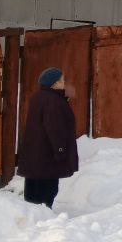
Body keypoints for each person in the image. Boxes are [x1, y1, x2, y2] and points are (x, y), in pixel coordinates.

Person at [17, 66, 78, 208]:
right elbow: (54, 127)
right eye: (62, 80)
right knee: (48, 190)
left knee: (34, 190)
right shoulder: (53, 101)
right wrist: (60, 149)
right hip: (48, 154)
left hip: (37, 153)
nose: (64, 83)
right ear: (54, 83)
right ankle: (43, 219)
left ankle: (32, 217)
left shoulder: (38, 97)